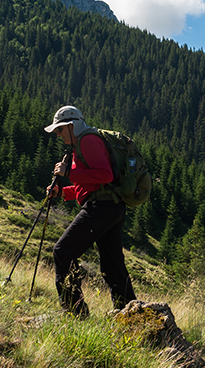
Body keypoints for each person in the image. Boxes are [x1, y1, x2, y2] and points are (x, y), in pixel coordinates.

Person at [43, 105, 137, 317]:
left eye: (59, 130)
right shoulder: (82, 144)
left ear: (71, 126)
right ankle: (132, 314)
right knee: (112, 266)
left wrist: (68, 171)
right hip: (111, 207)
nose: (58, 134)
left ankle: (76, 314)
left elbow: (104, 175)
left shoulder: (87, 141)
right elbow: (87, 185)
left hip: (101, 207)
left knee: (63, 251)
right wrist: (61, 192)